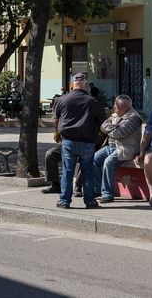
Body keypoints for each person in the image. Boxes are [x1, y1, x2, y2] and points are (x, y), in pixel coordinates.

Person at [54, 73, 106, 209]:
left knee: (67, 171)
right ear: (86, 84)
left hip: (68, 141)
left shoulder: (62, 99)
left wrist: (58, 137)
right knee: (87, 171)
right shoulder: (93, 102)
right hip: (87, 141)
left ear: (72, 84)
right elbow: (102, 120)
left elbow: (56, 118)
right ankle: (89, 201)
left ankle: (65, 201)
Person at [94, 95, 143, 202]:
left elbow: (119, 133)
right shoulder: (116, 114)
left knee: (109, 162)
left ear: (124, 106)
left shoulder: (134, 118)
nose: (114, 106)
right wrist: (115, 127)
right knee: (94, 159)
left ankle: (107, 194)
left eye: (116, 104)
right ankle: (96, 189)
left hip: (126, 148)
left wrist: (111, 128)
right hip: (110, 146)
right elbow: (103, 126)